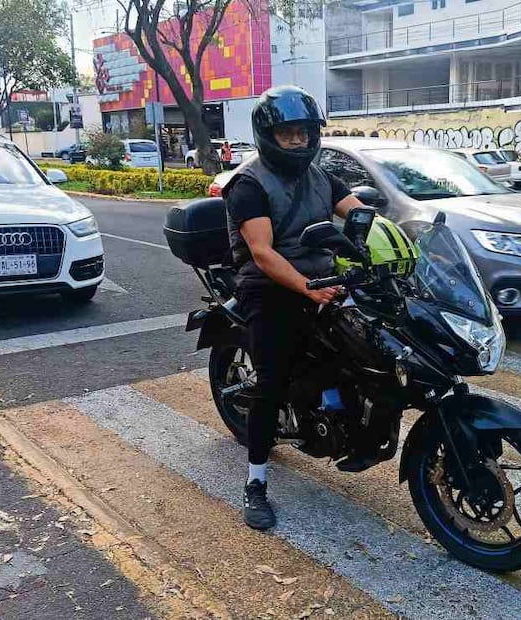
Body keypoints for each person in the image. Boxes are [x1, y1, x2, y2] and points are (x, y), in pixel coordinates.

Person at [222, 85, 364, 531]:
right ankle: (256, 481)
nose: (299, 141)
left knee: (364, 346)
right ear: (269, 135)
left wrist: (392, 244)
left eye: (304, 132)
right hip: (267, 287)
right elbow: (262, 253)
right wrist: (308, 289)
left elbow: (359, 213)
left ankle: (342, 416)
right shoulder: (248, 183)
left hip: (321, 280)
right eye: (288, 134)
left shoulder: (321, 177)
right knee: (271, 381)